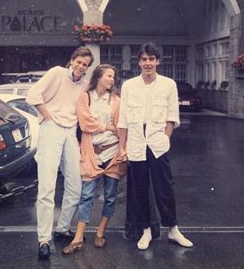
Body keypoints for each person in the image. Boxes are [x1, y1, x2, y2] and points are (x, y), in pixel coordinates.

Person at [117, 42, 193, 250]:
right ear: (139, 62)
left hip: (157, 142)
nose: (148, 63)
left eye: (151, 59)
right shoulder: (129, 86)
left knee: (164, 188)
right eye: (144, 59)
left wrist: (166, 139)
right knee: (139, 188)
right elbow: (123, 120)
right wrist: (122, 147)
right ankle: (146, 231)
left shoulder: (168, 84)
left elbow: (171, 116)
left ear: (157, 61)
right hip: (135, 142)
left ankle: (173, 230)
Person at [26, 46, 94, 259]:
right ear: (72, 60)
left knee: (75, 184)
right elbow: (33, 95)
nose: (81, 66)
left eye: (85, 65)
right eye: (79, 62)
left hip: (70, 132)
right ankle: (43, 239)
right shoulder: (56, 72)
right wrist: (47, 115)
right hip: (52, 128)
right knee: (47, 186)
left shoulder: (83, 85)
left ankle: (62, 227)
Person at [61, 64, 126, 255]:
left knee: (110, 195)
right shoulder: (85, 97)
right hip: (92, 153)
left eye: (113, 76)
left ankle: (100, 231)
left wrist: (122, 147)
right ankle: (79, 237)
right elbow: (85, 123)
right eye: (108, 76)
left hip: (112, 153)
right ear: (98, 77)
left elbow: (121, 126)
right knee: (86, 195)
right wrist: (108, 127)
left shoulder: (116, 100)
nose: (112, 79)